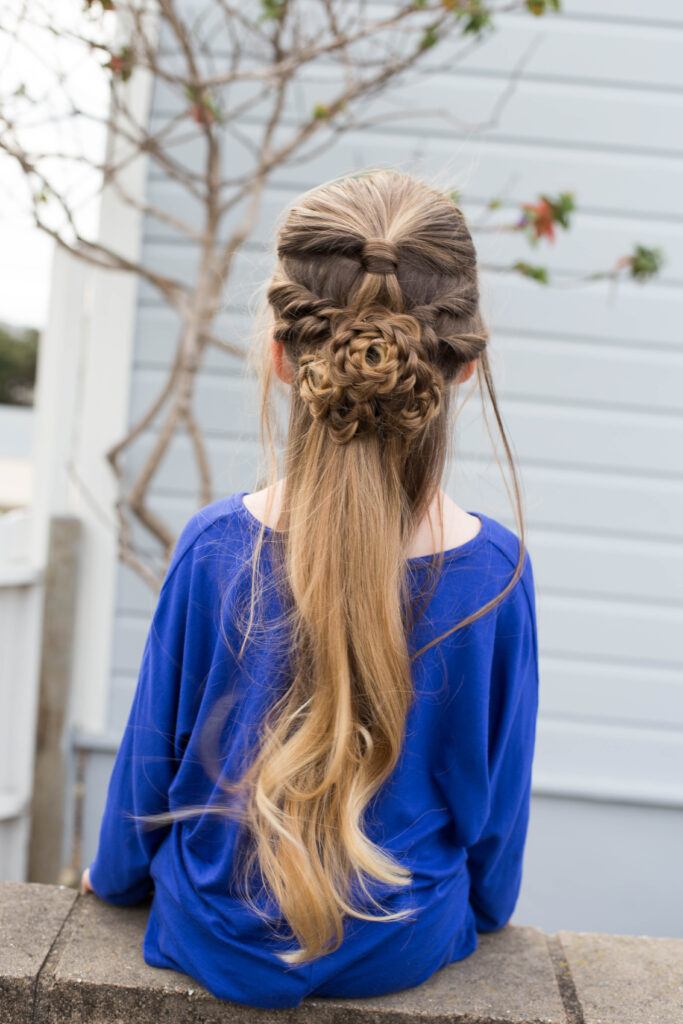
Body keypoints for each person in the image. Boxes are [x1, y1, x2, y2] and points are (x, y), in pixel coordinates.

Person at [82, 168, 539, 1010]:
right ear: (464, 363)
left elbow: (147, 769)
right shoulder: (496, 573)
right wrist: (479, 910)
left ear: (282, 356)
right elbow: (493, 815)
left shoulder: (214, 548)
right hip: (401, 939)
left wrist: (111, 881)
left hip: (215, 936)